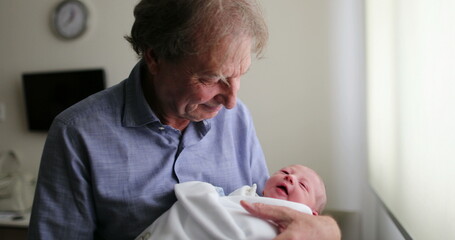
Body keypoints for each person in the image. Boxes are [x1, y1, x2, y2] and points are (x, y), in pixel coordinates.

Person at [28, 0, 340, 239]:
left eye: (238, 75)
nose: (231, 100)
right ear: (154, 57)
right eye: (212, 77)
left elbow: (270, 213)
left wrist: (326, 228)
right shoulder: (77, 134)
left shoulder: (237, 119)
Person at [135, 164, 327, 239]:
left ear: (313, 216)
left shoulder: (304, 223)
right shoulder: (246, 194)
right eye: (285, 172)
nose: (290, 178)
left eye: (303, 186)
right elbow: (224, 204)